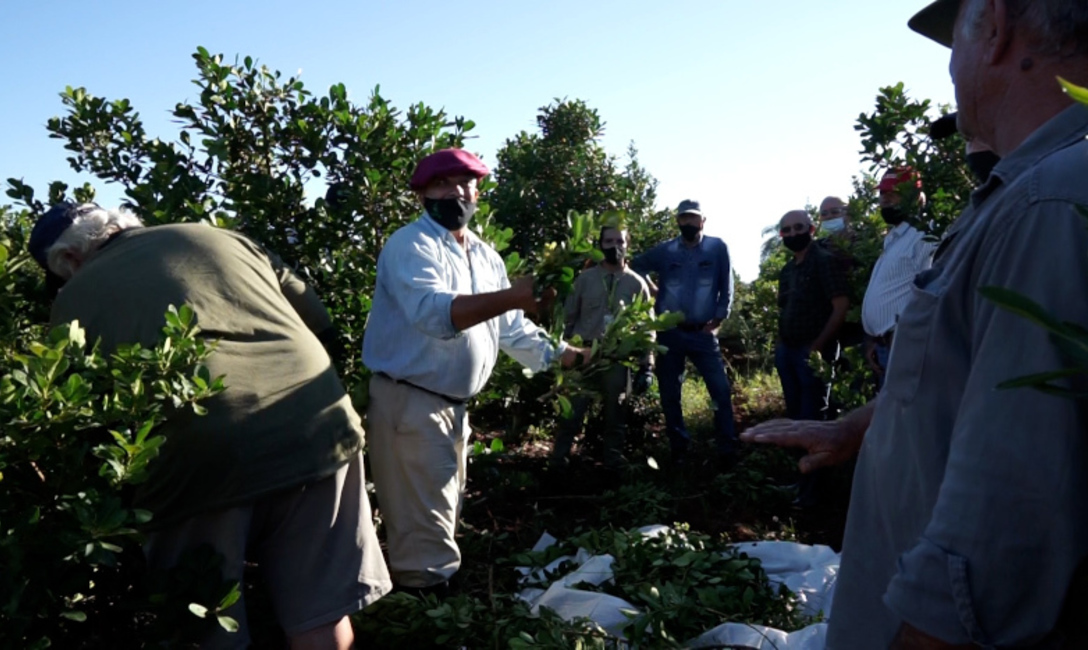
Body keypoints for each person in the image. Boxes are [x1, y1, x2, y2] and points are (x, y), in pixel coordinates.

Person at [743, 0, 1088, 646]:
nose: (950, 70)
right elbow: (976, 373)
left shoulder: (1046, 205)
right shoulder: (1020, 198)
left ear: (994, 26)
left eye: (952, 44)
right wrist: (855, 427)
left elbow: (1007, 513)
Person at [28, 203, 391, 650]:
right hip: (315, 423)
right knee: (320, 613)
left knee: (207, 627)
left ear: (68, 259)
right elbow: (319, 320)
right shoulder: (217, 235)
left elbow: (80, 414)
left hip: (194, 455)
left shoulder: (72, 301)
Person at [362, 148, 588, 597]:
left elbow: (512, 329)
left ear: (477, 192)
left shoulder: (485, 256)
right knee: (423, 528)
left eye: (465, 183)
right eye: (442, 184)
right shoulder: (411, 245)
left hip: (452, 408)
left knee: (441, 514)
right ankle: (425, 611)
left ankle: (434, 605)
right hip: (411, 403)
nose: (456, 193)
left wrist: (569, 355)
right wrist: (513, 296)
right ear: (423, 194)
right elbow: (433, 313)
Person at [630, 199, 737, 468]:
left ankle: (727, 448)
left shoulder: (717, 248)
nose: (689, 222)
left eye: (693, 218)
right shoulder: (666, 251)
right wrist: (653, 290)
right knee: (670, 394)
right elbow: (636, 265)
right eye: (684, 218)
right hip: (670, 334)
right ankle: (679, 449)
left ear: (703, 221)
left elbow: (726, 284)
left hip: (703, 333)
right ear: (678, 221)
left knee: (720, 391)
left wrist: (719, 317)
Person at [551, 224, 653, 474]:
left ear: (628, 245)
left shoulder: (636, 283)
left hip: (616, 358)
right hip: (582, 356)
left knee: (616, 416)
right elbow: (568, 318)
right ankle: (557, 464)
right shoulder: (584, 279)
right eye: (609, 241)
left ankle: (612, 467)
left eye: (620, 241)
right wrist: (561, 353)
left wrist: (647, 365)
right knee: (571, 414)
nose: (614, 247)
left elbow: (647, 328)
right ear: (600, 245)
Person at [862, 168, 937, 388]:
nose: (885, 199)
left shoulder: (924, 235)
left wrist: (905, 335)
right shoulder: (894, 237)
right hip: (884, 346)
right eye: (882, 193)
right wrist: (875, 338)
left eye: (893, 193)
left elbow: (931, 292)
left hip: (906, 344)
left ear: (916, 196)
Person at [774, 210, 850, 421]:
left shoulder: (824, 261)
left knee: (813, 416)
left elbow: (841, 305)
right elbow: (783, 309)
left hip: (814, 352)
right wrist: (780, 346)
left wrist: (817, 346)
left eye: (798, 227)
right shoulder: (788, 270)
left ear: (811, 229)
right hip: (787, 351)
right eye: (787, 230)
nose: (793, 233)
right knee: (794, 413)